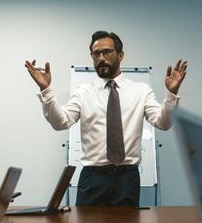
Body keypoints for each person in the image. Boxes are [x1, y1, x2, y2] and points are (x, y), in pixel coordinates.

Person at [24, 30, 187, 207]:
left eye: (107, 52)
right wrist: (46, 90)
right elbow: (60, 122)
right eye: (96, 53)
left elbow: (163, 123)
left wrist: (172, 93)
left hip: (128, 178)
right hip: (93, 178)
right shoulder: (83, 92)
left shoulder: (141, 91)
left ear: (120, 55)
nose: (101, 58)